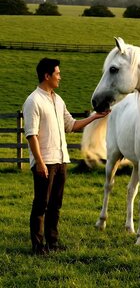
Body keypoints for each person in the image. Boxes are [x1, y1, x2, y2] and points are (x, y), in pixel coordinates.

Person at [23, 57, 110, 255]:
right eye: (57, 73)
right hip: (45, 161)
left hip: (61, 160)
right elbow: (31, 135)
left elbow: (71, 125)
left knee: (55, 205)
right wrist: (39, 162)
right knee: (41, 205)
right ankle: (38, 247)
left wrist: (95, 117)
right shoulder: (33, 101)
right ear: (47, 76)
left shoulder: (58, 99)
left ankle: (52, 242)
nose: (60, 77)